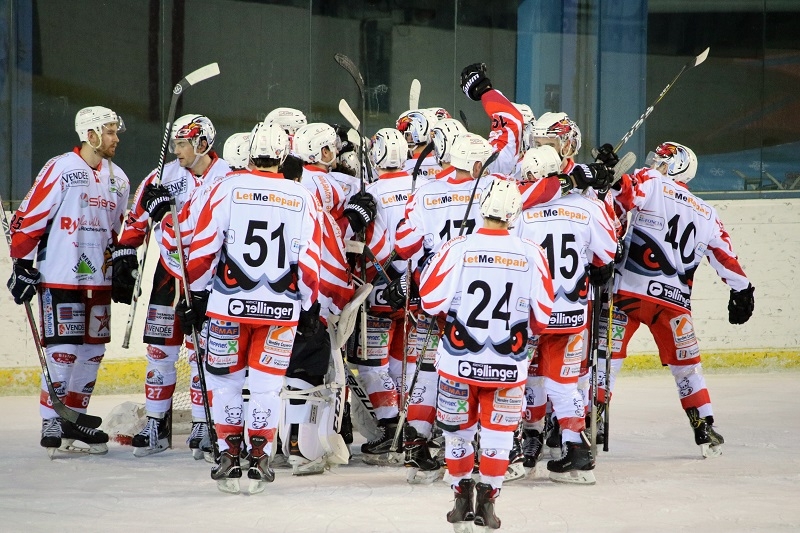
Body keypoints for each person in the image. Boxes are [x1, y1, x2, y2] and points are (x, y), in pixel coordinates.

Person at [178, 121, 322, 494]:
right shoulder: (301, 195)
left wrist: (194, 293)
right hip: (279, 311)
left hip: (229, 305)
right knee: (266, 387)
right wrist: (309, 305)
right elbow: (309, 258)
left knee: (225, 383)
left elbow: (205, 246)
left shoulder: (229, 187)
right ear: (281, 155)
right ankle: (259, 454)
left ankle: (228, 452)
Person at [604, 141, 754, 458]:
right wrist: (742, 289)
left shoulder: (651, 181)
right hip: (673, 304)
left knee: (607, 362)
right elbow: (726, 258)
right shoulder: (707, 212)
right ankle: (704, 426)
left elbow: (625, 193)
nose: (653, 164)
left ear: (674, 166)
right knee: (688, 368)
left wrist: (611, 175)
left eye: (660, 160)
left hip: (628, 293)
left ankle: (592, 421)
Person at [419, 176, 553, 531]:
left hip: (457, 361)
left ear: (482, 207)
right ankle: (488, 504)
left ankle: (461, 500)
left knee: (457, 433)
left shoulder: (457, 247)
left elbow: (430, 298)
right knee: (498, 434)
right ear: (514, 212)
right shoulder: (532, 252)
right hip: (507, 365)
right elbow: (543, 312)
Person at [7, 106, 129, 455]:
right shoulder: (62, 168)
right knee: (64, 352)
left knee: (91, 353)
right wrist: (21, 261)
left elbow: (121, 230)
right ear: (90, 135)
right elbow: (29, 217)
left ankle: (74, 422)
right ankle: (51, 419)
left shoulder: (118, 178)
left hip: (100, 280)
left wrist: (125, 261)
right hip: (61, 274)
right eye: (108, 131)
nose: (115, 138)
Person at [115, 114, 231, 457]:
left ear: (202, 144)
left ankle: (202, 425)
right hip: (169, 274)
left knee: (203, 354)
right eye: (176, 142)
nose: (176, 150)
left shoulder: (230, 176)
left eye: (183, 143)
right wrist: (125, 254)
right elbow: (136, 218)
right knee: (159, 352)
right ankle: (156, 426)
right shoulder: (163, 175)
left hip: (210, 278)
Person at [514, 145, 617, 483]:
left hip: (530, 315)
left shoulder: (520, 211)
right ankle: (577, 449)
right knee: (563, 385)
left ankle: (524, 442)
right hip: (572, 314)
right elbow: (607, 253)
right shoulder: (589, 207)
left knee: (522, 379)